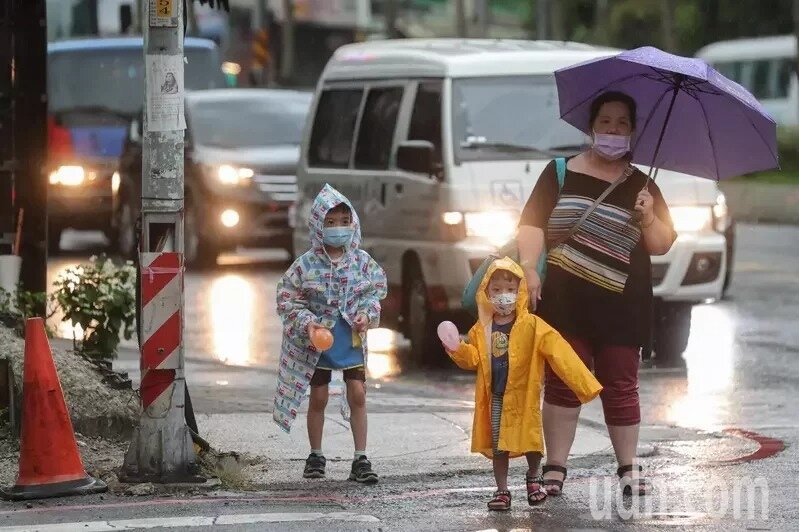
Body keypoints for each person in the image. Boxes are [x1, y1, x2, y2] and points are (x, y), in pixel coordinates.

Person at [516, 91, 677, 497]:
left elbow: (661, 244)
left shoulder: (643, 183)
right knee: (563, 382)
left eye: (622, 123)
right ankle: (556, 467)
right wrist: (530, 269)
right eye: (605, 121)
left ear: (632, 131)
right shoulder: (559, 173)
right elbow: (532, 224)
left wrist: (649, 217)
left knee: (622, 382)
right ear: (591, 127)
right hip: (565, 301)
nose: (613, 130)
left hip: (624, 304)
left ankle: (628, 467)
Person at [445, 257, 602, 511]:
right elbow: (474, 359)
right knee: (499, 446)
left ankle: (533, 477)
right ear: (486, 291)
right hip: (496, 396)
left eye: (510, 290)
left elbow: (560, 353)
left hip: (524, 396)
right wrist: (457, 349)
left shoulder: (533, 326)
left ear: (519, 292)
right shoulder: (480, 329)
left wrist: (585, 384)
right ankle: (502, 490)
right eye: (496, 290)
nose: (503, 296)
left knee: (531, 442)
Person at [273, 184, 387, 484]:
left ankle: (361, 457)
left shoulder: (362, 263)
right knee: (319, 396)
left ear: (354, 224)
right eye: (330, 222)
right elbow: (287, 298)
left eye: (344, 222)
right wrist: (308, 322)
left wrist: (366, 314)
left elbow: (374, 293)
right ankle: (316, 454)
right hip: (318, 343)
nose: (338, 229)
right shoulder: (305, 265)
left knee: (358, 393)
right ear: (317, 225)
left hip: (350, 337)